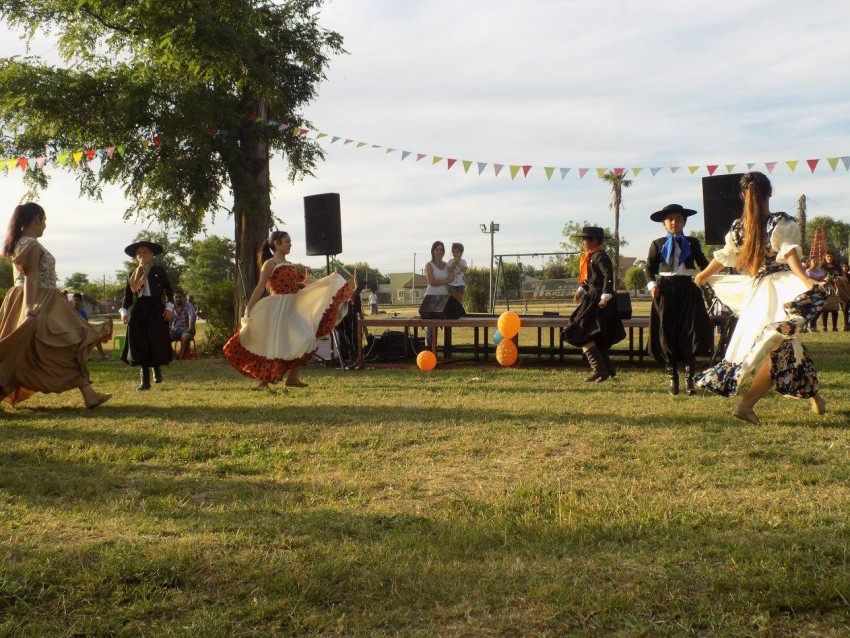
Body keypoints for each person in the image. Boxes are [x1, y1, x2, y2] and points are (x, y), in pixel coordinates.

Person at [694, 171, 827, 424]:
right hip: (778, 289)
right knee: (778, 350)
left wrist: (702, 275)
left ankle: (815, 398)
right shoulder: (779, 222)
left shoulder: (737, 228)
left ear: (743, 196)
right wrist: (806, 279)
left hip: (758, 293)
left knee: (789, 347)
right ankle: (745, 406)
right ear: (770, 193)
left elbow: (724, 258)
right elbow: (788, 254)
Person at [0, 203, 112, 408]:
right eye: (44, 220)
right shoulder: (30, 244)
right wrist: (28, 308)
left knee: (41, 350)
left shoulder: (24, 242)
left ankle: (89, 394)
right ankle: (89, 394)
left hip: (41, 300)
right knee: (58, 346)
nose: (45, 225)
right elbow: (30, 278)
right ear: (36, 219)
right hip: (37, 301)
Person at [223, 230, 352, 390]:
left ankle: (293, 377)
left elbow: (306, 282)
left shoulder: (291, 265)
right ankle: (264, 382)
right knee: (273, 344)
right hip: (277, 308)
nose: (290, 244)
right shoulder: (270, 264)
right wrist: (248, 308)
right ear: (276, 243)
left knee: (307, 338)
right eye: (287, 241)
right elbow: (260, 286)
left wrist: (329, 280)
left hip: (292, 307)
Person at [644, 204, 713, 395]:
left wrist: (711, 274)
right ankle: (672, 377)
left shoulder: (692, 242)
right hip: (665, 291)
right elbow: (649, 268)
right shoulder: (657, 244)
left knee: (690, 332)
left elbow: (704, 264)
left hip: (688, 290)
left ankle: (689, 378)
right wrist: (652, 286)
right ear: (664, 224)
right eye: (670, 220)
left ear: (684, 222)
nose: (674, 222)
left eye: (679, 219)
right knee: (667, 333)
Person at [561, 226, 625, 382]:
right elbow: (590, 279)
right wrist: (580, 290)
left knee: (580, 330)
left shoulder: (600, 256)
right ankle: (607, 368)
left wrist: (605, 297)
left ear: (594, 240)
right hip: (592, 296)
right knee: (594, 334)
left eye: (585, 239)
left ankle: (599, 369)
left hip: (599, 298)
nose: (583, 242)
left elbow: (607, 277)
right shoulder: (590, 257)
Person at [120, 240, 174, 390]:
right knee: (140, 342)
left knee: (155, 340)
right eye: (139, 253)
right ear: (136, 257)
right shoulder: (132, 274)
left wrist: (169, 308)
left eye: (145, 252)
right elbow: (128, 296)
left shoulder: (159, 271)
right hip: (140, 310)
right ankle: (145, 379)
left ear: (151, 255)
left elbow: (169, 291)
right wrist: (124, 311)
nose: (142, 255)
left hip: (157, 308)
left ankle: (156, 367)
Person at [422, 240, 451, 347]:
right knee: (431, 327)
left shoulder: (448, 265)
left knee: (447, 325)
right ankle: (431, 350)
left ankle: (447, 352)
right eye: (437, 249)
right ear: (433, 251)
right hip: (431, 300)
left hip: (444, 300)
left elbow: (453, 278)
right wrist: (446, 281)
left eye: (441, 249)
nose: (439, 251)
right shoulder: (429, 265)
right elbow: (432, 281)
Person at [72, 292, 109, 360]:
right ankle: (86, 355)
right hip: (72, 332)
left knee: (96, 336)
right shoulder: (69, 310)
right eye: (74, 300)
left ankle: (102, 354)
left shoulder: (82, 312)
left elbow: (86, 323)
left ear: (80, 301)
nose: (75, 302)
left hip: (82, 331)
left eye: (77, 300)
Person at [170, 288, 197, 358]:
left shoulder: (188, 305)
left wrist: (190, 328)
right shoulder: (171, 308)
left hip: (187, 330)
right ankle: (174, 356)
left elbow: (192, 316)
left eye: (180, 297)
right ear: (173, 298)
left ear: (183, 298)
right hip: (175, 331)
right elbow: (168, 320)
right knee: (163, 337)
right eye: (176, 297)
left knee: (186, 337)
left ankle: (182, 356)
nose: (178, 299)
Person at [820, 251, 841, 332]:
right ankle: (824, 327)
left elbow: (841, 276)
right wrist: (824, 279)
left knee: (835, 308)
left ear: (833, 257)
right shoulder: (821, 267)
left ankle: (835, 327)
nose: (829, 258)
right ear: (825, 257)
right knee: (825, 308)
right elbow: (818, 278)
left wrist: (836, 279)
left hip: (835, 288)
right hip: (824, 289)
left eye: (831, 256)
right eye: (828, 256)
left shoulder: (837, 267)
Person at [804, 257, 825, 332]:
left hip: (821, 291)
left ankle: (812, 324)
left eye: (817, 260)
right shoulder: (808, 272)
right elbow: (808, 282)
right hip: (812, 292)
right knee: (814, 309)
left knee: (821, 308)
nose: (816, 261)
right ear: (810, 262)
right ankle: (810, 326)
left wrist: (826, 280)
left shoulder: (819, 269)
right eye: (814, 260)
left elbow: (823, 278)